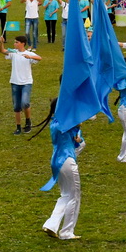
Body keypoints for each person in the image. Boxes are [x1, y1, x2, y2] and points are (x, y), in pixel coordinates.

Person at [32, 99, 85, 241]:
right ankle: (67, 231)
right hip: (66, 161)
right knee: (74, 195)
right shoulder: (62, 123)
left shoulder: (56, 123)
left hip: (57, 160)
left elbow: (76, 141)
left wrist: (78, 137)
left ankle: (51, 225)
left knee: (66, 195)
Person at [0, 34, 41, 134]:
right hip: (14, 82)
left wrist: (29, 56)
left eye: (16, 42)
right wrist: (1, 43)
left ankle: (28, 121)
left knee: (25, 103)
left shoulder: (28, 53)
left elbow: (40, 58)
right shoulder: (13, 53)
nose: (14, 44)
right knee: (16, 106)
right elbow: (2, 51)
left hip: (26, 82)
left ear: (23, 44)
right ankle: (18, 127)